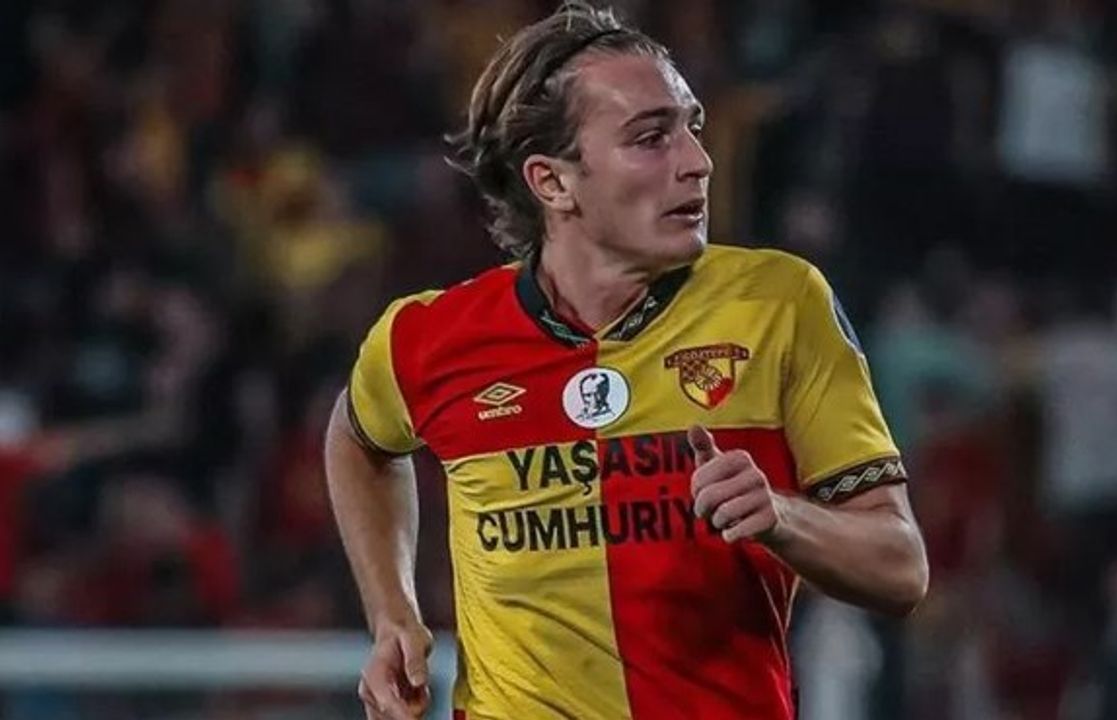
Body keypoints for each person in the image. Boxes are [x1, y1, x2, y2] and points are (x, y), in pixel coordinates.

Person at [324, 3, 928, 719]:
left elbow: (901, 567)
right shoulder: (429, 336)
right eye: (650, 138)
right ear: (552, 183)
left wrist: (782, 519)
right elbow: (357, 439)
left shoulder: (779, 304)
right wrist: (392, 613)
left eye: (691, 127)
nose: (698, 162)